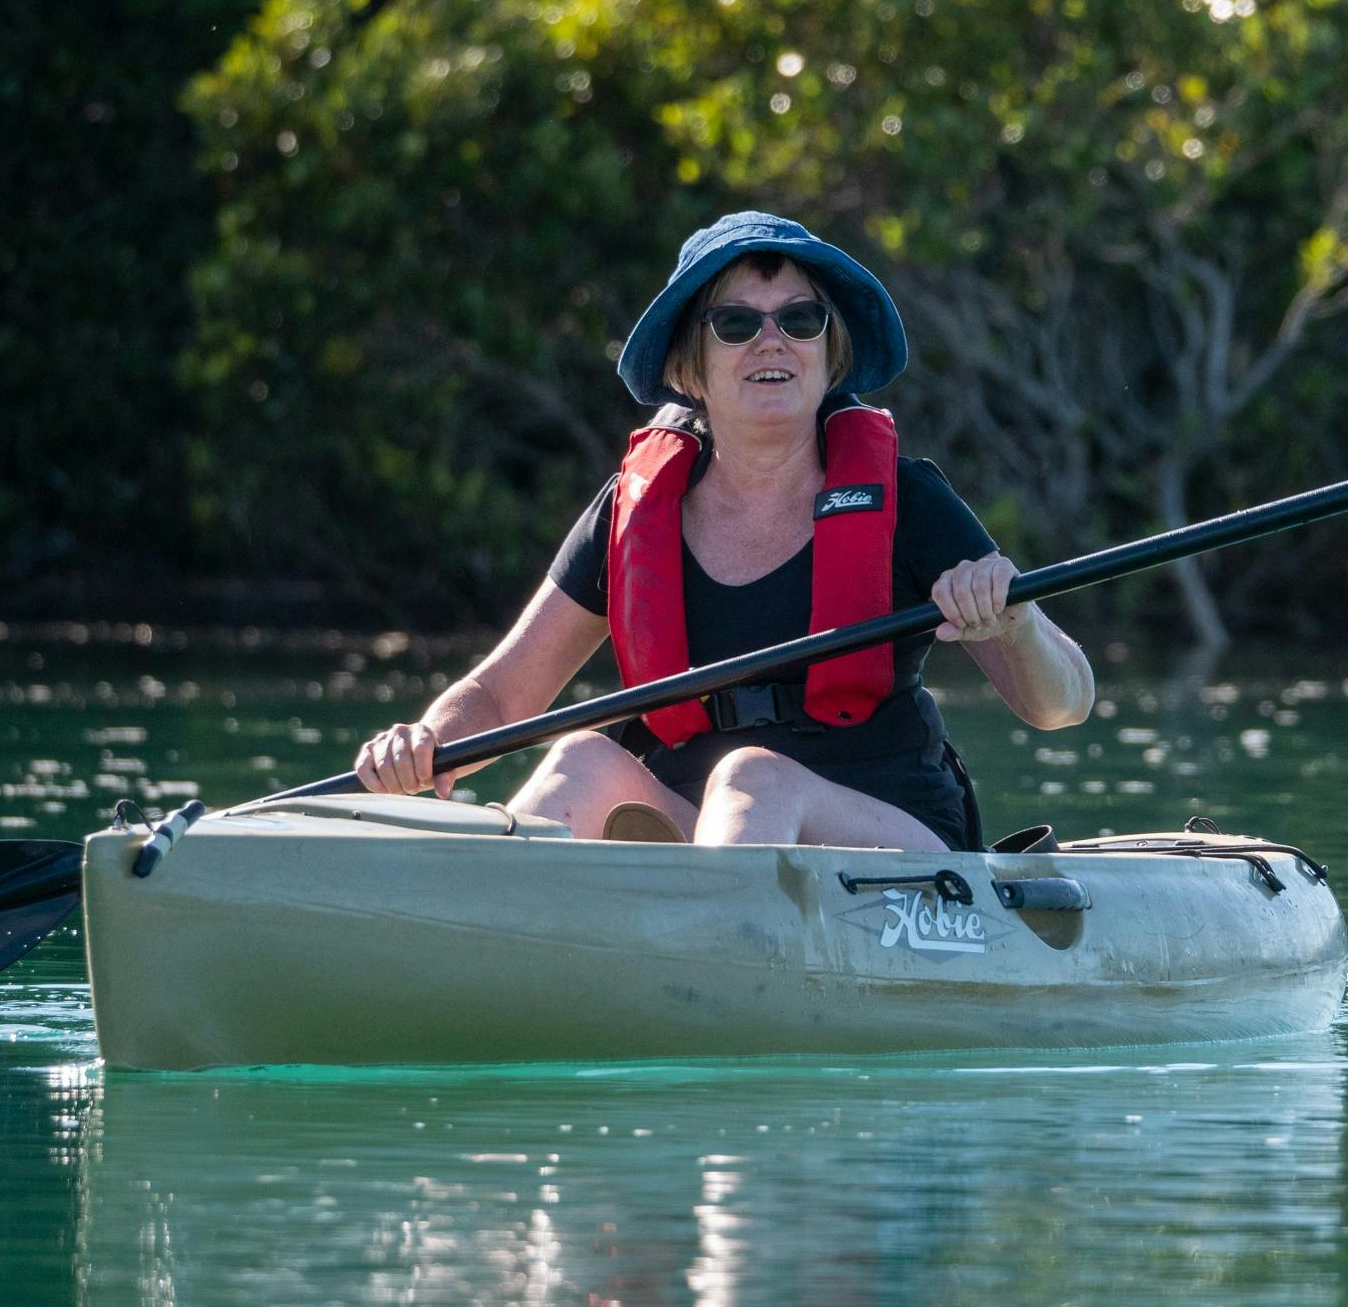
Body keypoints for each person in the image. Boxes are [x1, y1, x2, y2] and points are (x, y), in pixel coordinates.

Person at [356, 211, 1094, 851]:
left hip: (894, 848)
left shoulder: (907, 500)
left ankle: (710, 964)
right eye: (735, 323)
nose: (771, 342)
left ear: (829, 352)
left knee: (753, 778)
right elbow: (499, 698)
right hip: (704, 833)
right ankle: (480, 938)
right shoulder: (629, 510)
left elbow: (1062, 704)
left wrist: (1016, 621)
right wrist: (427, 742)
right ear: (693, 365)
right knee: (581, 760)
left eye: (799, 319)